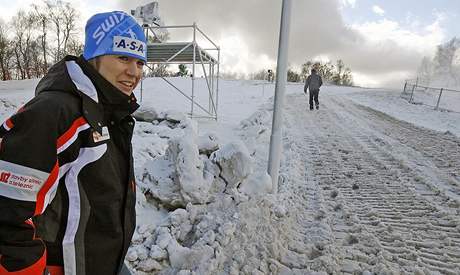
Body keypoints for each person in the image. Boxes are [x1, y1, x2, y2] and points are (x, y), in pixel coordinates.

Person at [0, 11, 146, 275]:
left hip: (103, 263)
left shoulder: (110, 114)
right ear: (94, 57)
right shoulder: (54, 112)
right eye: (123, 57)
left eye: (140, 62)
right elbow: (7, 205)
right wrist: (27, 268)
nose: (133, 72)